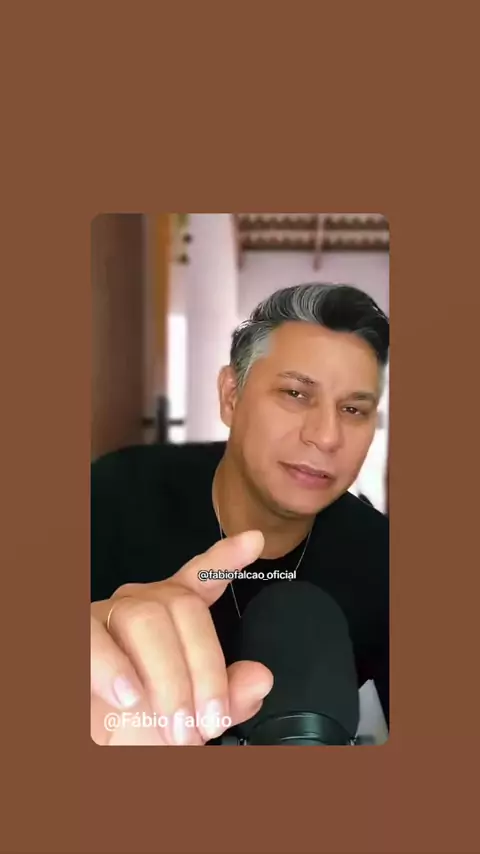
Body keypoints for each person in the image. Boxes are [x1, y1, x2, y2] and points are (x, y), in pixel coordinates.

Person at [91, 283, 389, 745]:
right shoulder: (110, 497)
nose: (327, 436)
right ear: (231, 396)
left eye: (353, 409)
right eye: (295, 393)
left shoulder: (383, 561)